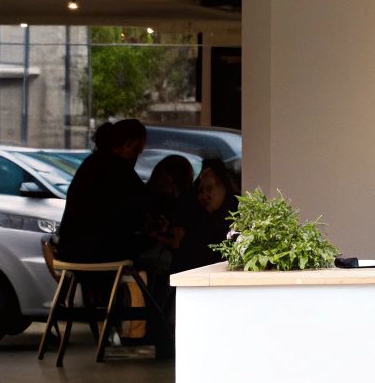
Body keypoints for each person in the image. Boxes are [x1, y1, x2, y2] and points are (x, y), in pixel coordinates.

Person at [56, 119, 173, 354]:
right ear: (128, 145)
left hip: (73, 251)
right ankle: (159, 332)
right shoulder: (118, 170)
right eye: (138, 150)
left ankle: (141, 329)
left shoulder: (92, 165)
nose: (138, 157)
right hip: (101, 253)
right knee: (168, 261)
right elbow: (137, 207)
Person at [177, 159, 240, 271]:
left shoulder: (238, 217)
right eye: (201, 191)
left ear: (224, 186)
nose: (204, 195)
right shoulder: (200, 219)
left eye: (209, 189)